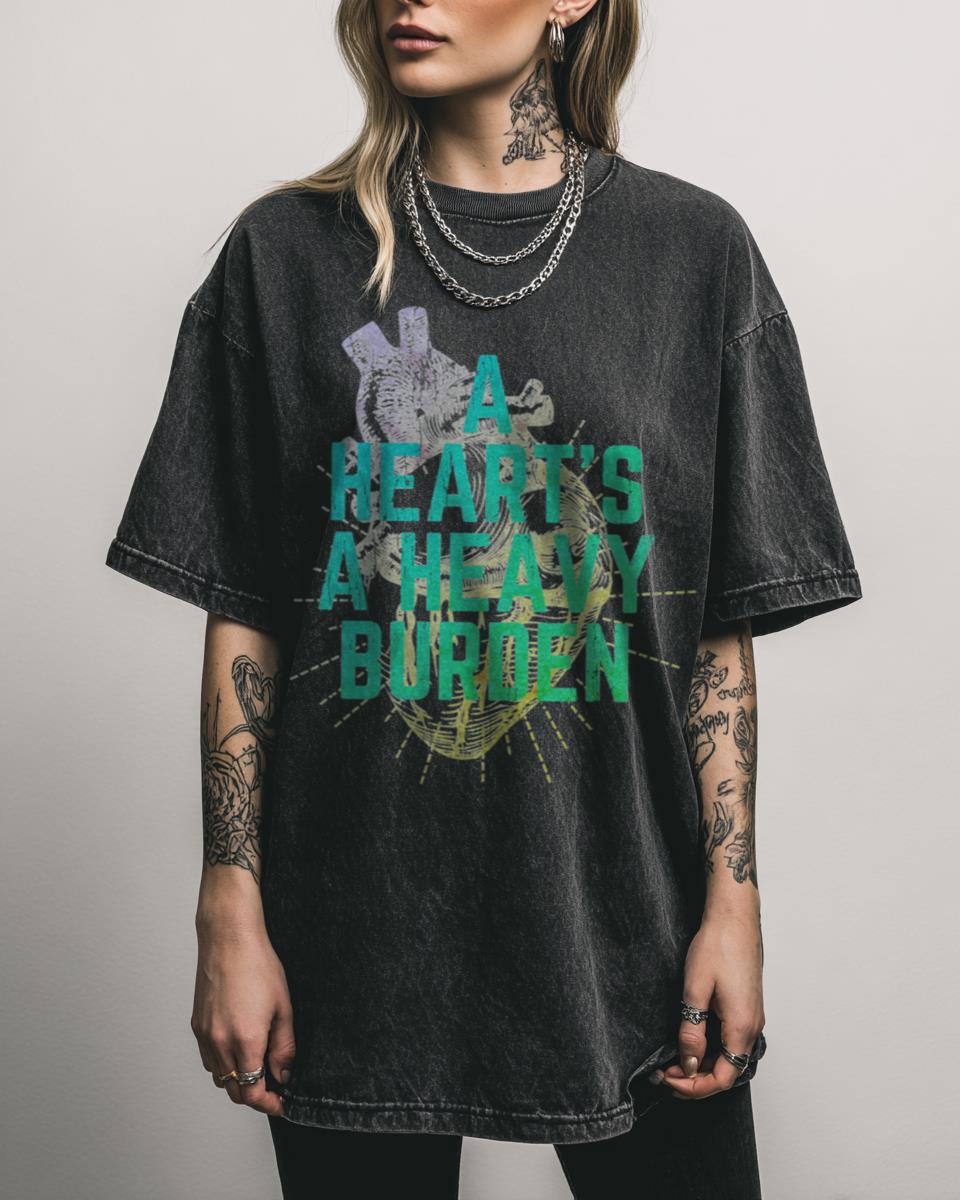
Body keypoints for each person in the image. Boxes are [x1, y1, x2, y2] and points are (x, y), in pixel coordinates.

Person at [104, 1, 863, 1196]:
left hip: (630, 926)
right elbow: (245, 609)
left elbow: (714, 631)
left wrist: (735, 901)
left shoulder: (693, 254)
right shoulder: (284, 256)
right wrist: (229, 905)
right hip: (351, 934)